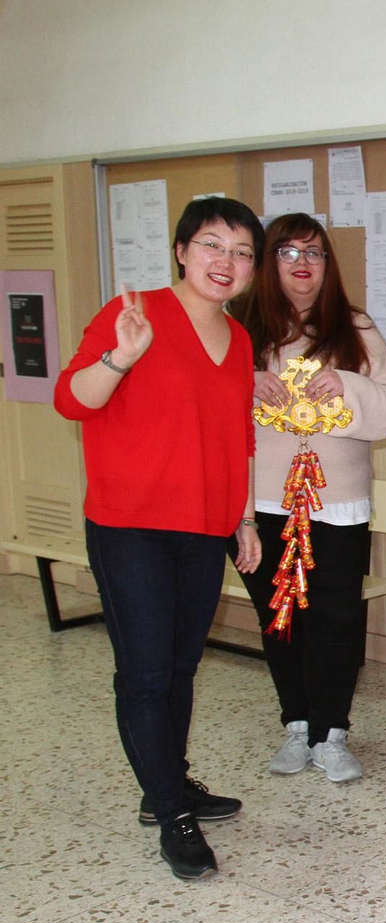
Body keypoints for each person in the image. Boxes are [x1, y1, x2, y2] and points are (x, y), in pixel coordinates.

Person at [54, 197, 264, 879]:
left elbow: (236, 434)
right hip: (130, 525)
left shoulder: (237, 340)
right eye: (211, 245)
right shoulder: (135, 315)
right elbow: (71, 398)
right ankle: (170, 809)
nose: (224, 263)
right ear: (180, 250)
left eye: (240, 252)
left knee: (179, 667)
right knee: (145, 673)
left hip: (203, 527)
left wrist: (243, 518)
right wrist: (120, 355)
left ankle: (168, 784)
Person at [236, 213, 386, 784]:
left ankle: (331, 733)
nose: (302, 265)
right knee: (280, 619)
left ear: (328, 264)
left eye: (314, 253)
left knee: (335, 617)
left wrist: (349, 386)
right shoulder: (242, 329)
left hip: (337, 503)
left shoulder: (353, 327)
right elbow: (204, 414)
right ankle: (296, 724)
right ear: (270, 263)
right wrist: (241, 384)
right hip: (263, 505)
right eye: (287, 253)